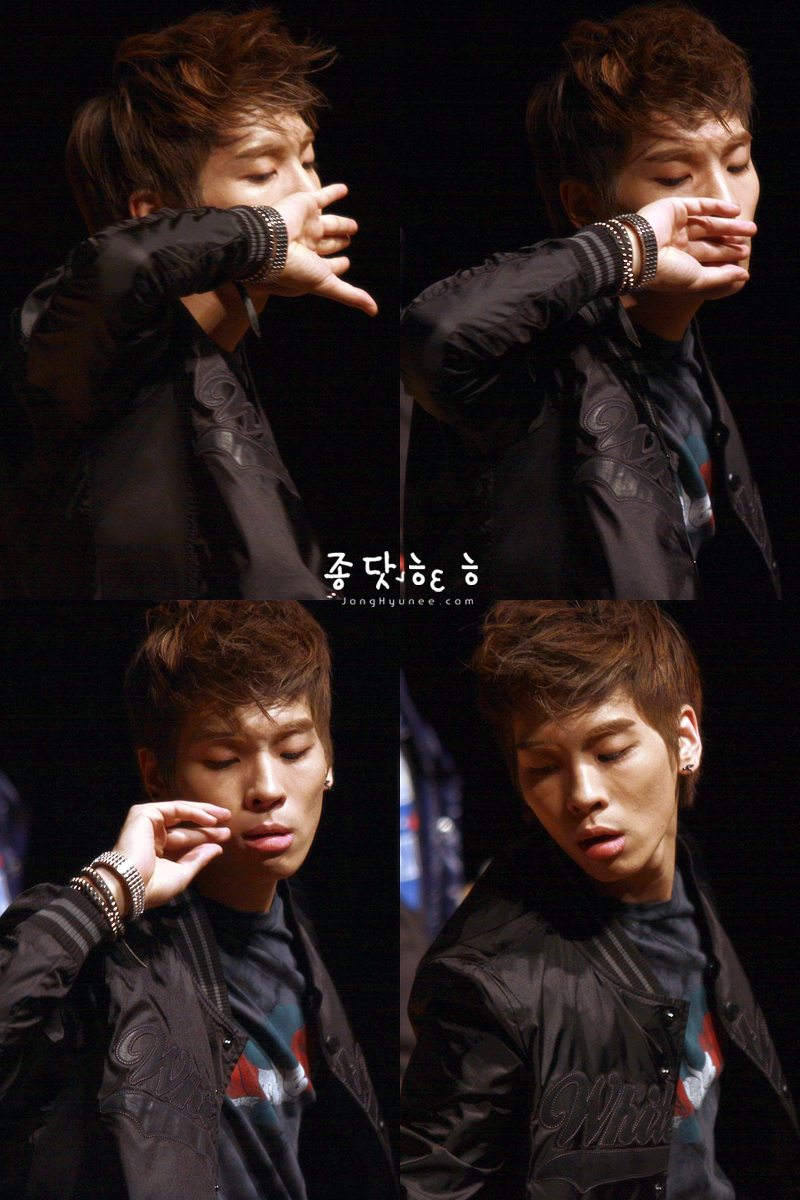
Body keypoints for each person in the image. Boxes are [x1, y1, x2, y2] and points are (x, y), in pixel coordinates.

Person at [400, 601, 799, 1198]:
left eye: (610, 752)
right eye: (543, 767)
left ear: (685, 739)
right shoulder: (485, 982)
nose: (582, 794)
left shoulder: (705, 871)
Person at [0, 601, 395, 1200]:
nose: (267, 789)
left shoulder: (321, 932)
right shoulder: (104, 946)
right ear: (157, 776)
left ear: (329, 761)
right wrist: (112, 889)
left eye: (293, 751)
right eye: (223, 760)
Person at [401, 5, 779, 602]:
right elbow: (437, 333)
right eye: (674, 177)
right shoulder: (528, 368)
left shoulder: (694, 349)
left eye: (737, 162)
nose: (726, 201)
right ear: (585, 206)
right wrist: (630, 246)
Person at [5, 8, 377, 600]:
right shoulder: (81, 349)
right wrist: (262, 238)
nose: (308, 195)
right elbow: (122, 263)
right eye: (263, 172)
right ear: (154, 216)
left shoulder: (229, 362)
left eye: (307, 161)